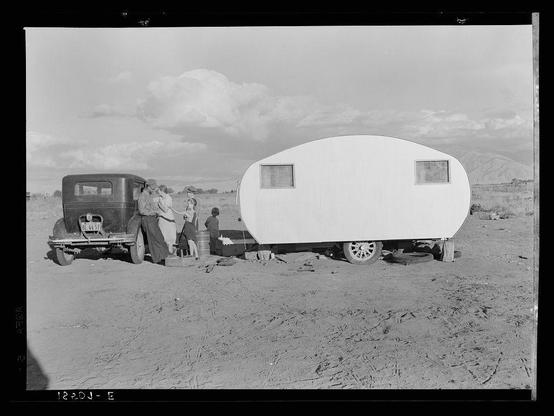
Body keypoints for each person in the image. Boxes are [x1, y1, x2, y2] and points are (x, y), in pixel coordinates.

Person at [138, 179, 170, 264]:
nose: (153, 189)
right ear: (148, 187)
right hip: (147, 219)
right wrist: (153, 212)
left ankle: (164, 257)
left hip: (151, 219)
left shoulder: (148, 195)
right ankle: (158, 259)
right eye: (152, 188)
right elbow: (141, 211)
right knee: (153, 239)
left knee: (158, 238)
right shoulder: (143, 196)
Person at [157, 185, 177, 254]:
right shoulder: (160, 198)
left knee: (170, 238)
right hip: (162, 219)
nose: (158, 192)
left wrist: (159, 205)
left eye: (159, 190)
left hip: (168, 220)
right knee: (163, 237)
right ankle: (165, 254)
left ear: (162, 191)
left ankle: (171, 253)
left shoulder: (168, 198)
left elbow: (165, 209)